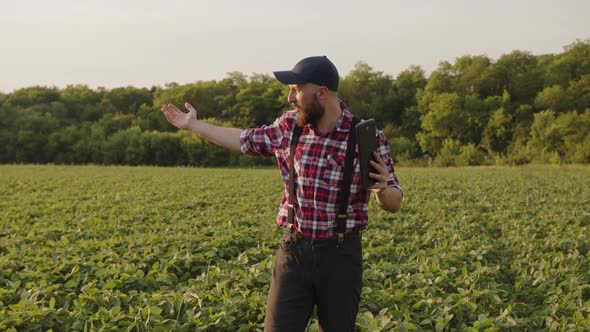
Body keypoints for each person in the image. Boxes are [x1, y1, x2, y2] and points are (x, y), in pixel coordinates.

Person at [160, 56, 403, 332]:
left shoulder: (364, 136)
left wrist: (382, 190)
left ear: (321, 92)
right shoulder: (290, 127)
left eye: (296, 89)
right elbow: (244, 139)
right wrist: (194, 125)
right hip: (294, 251)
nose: (290, 97)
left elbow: (394, 201)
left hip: (340, 256)